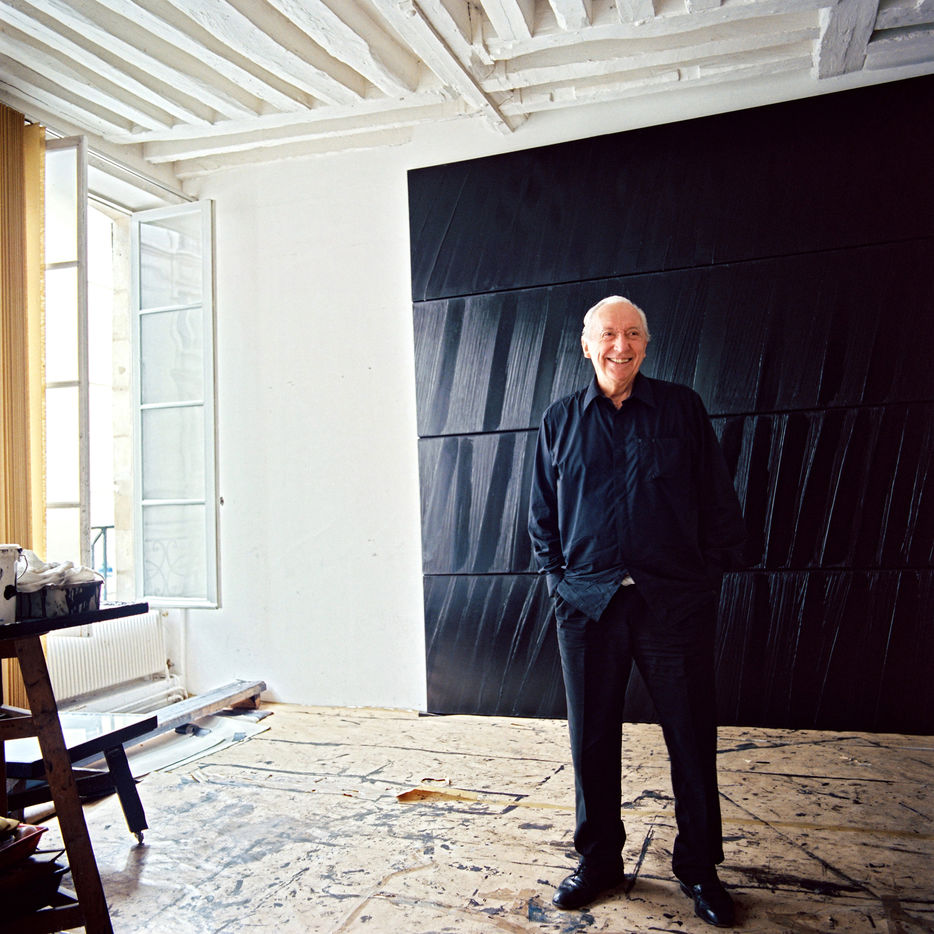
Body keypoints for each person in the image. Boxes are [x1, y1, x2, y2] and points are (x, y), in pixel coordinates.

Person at [528, 296, 746, 927]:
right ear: (586, 345)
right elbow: (542, 513)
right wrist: (559, 582)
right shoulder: (560, 419)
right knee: (592, 739)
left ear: (646, 345)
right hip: (587, 605)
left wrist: (705, 582)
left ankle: (699, 868)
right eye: (608, 335)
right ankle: (599, 862)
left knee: (691, 738)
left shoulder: (682, 409)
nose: (619, 346)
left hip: (672, 604)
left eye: (632, 335)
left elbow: (717, 501)